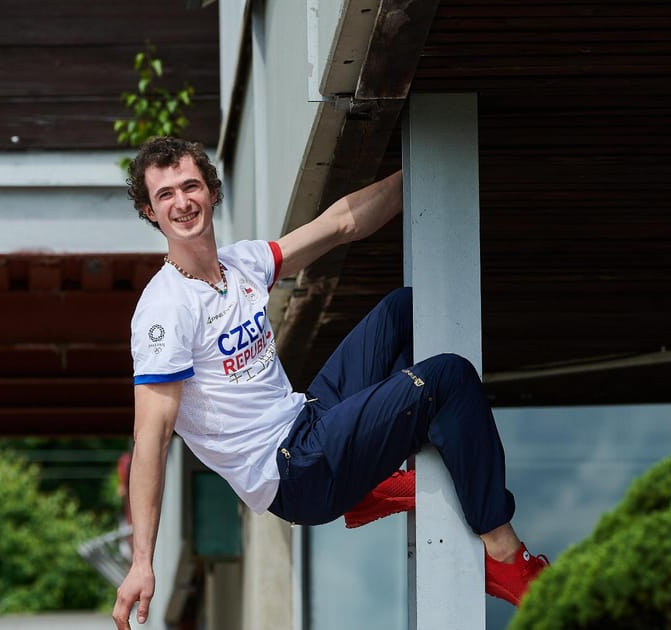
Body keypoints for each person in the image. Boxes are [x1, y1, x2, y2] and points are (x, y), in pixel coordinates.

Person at [112, 137, 547, 630]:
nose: (182, 202)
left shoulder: (240, 265)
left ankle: (371, 480)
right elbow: (150, 438)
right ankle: (504, 554)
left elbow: (341, 223)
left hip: (307, 419)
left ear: (212, 192)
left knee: (404, 309)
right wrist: (142, 560)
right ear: (150, 211)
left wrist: (424, 172)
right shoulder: (165, 310)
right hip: (293, 472)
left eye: (190, 186)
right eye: (165, 195)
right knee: (447, 377)